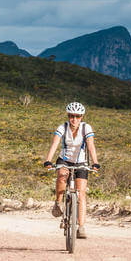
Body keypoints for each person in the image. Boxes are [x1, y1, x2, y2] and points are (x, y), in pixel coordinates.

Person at [43, 102, 100, 239]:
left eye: (77, 116)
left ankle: (81, 227)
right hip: (64, 159)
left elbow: (91, 147)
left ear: (81, 117)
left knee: (81, 194)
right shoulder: (63, 127)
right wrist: (48, 160)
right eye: (71, 116)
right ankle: (58, 202)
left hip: (81, 162)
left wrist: (95, 163)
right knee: (62, 175)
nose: (74, 119)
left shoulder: (86, 128)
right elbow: (55, 144)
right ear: (68, 116)